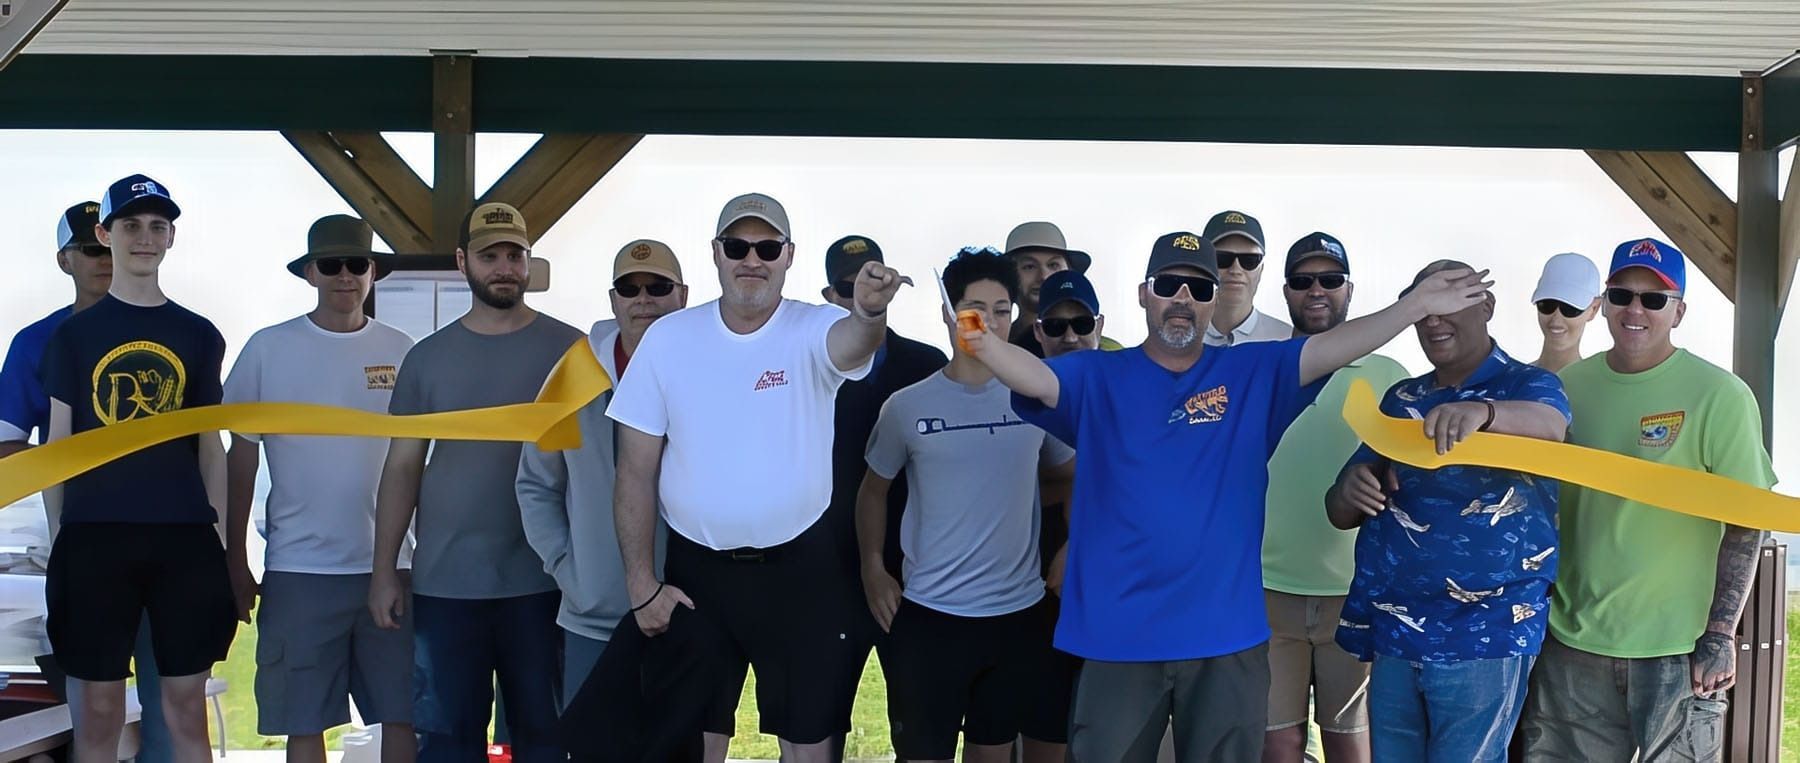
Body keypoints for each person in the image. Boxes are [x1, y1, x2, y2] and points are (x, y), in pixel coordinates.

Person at [962, 230, 1489, 761]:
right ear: (1145, 293)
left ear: (1215, 301)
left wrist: (1416, 304)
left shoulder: (1252, 371)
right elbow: (1037, 380)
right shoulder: (1098, 374)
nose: (1184, 299)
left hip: (1226, 640)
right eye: (1170, 284)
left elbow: (1336, 344)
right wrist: (984, 343)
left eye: (1199, 288)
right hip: (1116, 639)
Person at [608, 192, 906, 763]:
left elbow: (852, 344)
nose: (753, 259)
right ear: (716, 255)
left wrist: (869, 312)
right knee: (690, 743)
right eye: (738, 246)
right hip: (698, 576)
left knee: (809, 743)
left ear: (788, 256)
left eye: (767, 247)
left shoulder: (814, 328)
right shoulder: (668, 340)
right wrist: (641, 584)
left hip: (801, 570)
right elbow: (634, 470)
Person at [1520, 238, 1774, 762]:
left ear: (1678, 312)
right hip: (1573, 644)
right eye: (1623, 295)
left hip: (1677, 652)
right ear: (1605, 304)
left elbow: (1747, 523)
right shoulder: (1566, 388)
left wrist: (1721, 634)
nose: (1636, 309)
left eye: (1654, 299)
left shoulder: (1720, 395)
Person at [1325, 259, 1568, 762]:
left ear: (1487, 306)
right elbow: (1340, 508)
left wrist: (1485, 412)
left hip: (1484, 633)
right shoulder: (1402, 399)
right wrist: (1349, 487)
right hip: (1396, 629)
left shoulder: (1528, 385)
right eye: (1423, 310)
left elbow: (1551, 427)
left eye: (1450, 304)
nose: (1434, 321)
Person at [367, 202, 584, 763]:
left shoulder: (573, 353)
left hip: (544, 583)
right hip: (446, 586)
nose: (505, 267)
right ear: (464, 262)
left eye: (515, 255)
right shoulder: (427, 359)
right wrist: (385, 569)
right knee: (447, 745)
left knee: (544, 740)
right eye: (491, 256)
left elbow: (602, 466)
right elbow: (402, 467)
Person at [41, 174, 237, 762]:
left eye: (157, 226)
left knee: (183, 709)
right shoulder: (72, 338)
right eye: (130, 226)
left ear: (172, 237)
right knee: (97, 715)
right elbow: (57, 449)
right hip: (94, 540)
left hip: (183, 541)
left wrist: (220, 541)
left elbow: (211, 445)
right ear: (106, 233)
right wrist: (61, 544)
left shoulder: (198, 333)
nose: (144, 238)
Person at [856, 250, 1075, 763]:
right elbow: (872, 490)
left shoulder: (1035, 397)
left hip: (1015, 617)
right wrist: (872, 568)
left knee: (994, 752)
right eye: (976, 308)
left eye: (1003, 309)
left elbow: (1073, 475)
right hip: (931, 617)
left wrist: (1072, 545)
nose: (991, 321)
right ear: (950, 316)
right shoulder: (908, 406)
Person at [223, 215, 416, 763]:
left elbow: (424, 457)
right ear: (310, 273)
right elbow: (241, 455)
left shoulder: (402, 349)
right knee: (303, 721)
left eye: (357, 264)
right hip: (299, 569)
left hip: (392, 566)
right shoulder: (267, 348)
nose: (345, 276)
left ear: (373, 273)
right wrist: (236, 559)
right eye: (331, 265)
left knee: (402, 714)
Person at [0, 201, 177, 763]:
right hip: (82, 550)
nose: (103, 259)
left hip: (171, 546)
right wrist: (83, 466)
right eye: (90, 249)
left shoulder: (179, 330)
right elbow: (6, 443)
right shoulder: (37, 342)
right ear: (64, 260)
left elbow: (208, 442)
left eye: (109, 245)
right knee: (94, 711)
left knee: (172, 705)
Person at [516, 238, 687, 711]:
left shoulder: (707, 372)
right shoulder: (573, 379)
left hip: (691, 613)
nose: (644, 299)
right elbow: (534, 483)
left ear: (683, 295)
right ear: (612, 300)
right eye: (629, 289)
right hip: (593, 620)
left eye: (658, 286)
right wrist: (570, 571)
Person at [1260, 233, 1407, 763]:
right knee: (1278, 742)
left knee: (1351, 745)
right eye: (1303, 281)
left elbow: (1412, 486)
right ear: (1284, 292)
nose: (1316, 291)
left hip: (1357, 595)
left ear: (1350, 289)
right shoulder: (1262, 369)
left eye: (1330, 280)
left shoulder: (1390, 376)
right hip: (1265, 590)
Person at [818, 234, 946, 755]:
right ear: (830, 296)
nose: (862, 295)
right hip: (824, 576)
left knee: (917, 730)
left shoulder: (927, 364)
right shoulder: (808, 367)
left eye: (874, 281)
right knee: (816, 729)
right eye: (849, 287)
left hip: (912, 574)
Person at [1002, 222, 1123, 357]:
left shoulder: (1111, 353)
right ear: (1008, 277)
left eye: (1053, 265)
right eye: (1029, 267)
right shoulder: (993, 348)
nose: (1043, 276)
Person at [1202, 210, 1292, 346]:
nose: (1236, 269)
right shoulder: (1178, 337)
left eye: (1250, 260)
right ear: (1203, 264)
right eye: (1222, 258)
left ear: (1261, 270)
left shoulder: (1286, 340)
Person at [1528, 253, 1603, 373]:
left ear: (1594, 309)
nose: (1556, 320)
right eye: (1547, 305)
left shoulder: (1596, 389)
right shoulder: (1513, 383)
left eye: (1570, 308)